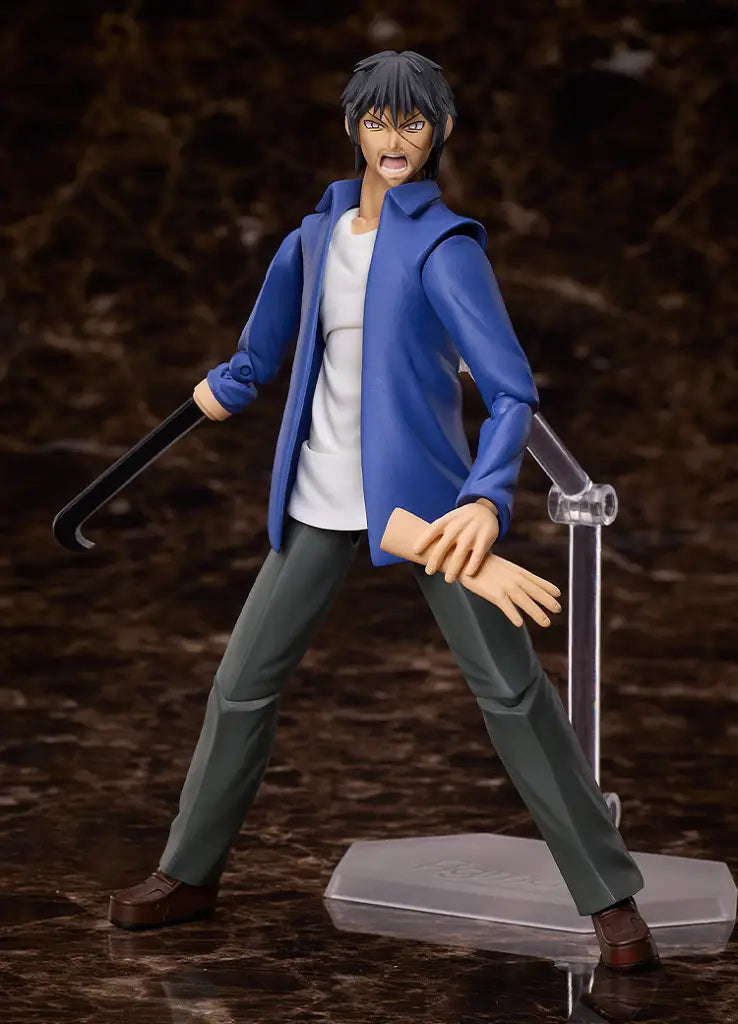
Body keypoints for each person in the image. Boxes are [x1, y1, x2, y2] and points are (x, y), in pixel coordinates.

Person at [109, 50, 659, 971]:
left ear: (439, 131)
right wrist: (213, 395)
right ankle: (189, 873)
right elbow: (259, 356)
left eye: (412, 122)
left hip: (426, 510)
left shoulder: (446, 248)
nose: (394, 139)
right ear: (353, 128)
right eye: (377, 121)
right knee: (240, 686)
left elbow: (511, 391)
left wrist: (485, 500)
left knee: (513, 695)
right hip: (318, 499)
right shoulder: (312, 239)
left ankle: (611, 900)